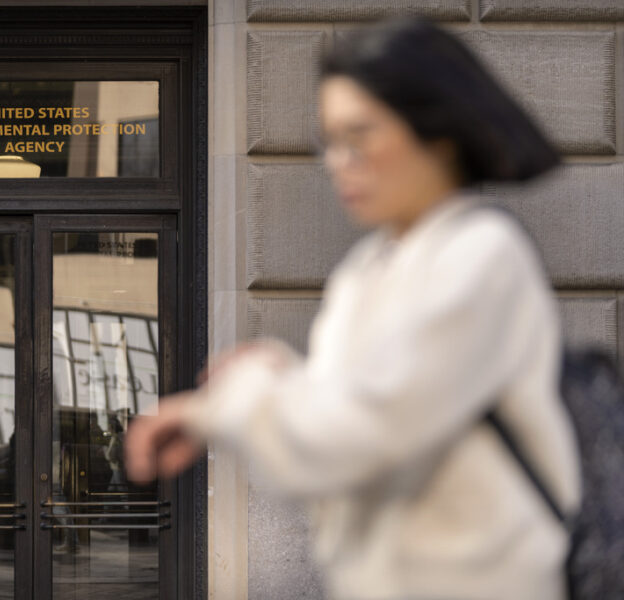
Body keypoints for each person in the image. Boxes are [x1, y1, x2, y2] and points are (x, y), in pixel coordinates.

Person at [126, 17, 581, 600]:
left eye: (359, 136)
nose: (338, 162)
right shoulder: (368, 269)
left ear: (436, 133)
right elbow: (347, 409)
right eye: (330, 140)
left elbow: (358, 431)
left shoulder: (481, 256)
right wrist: (274, 378)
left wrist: (229, 404)